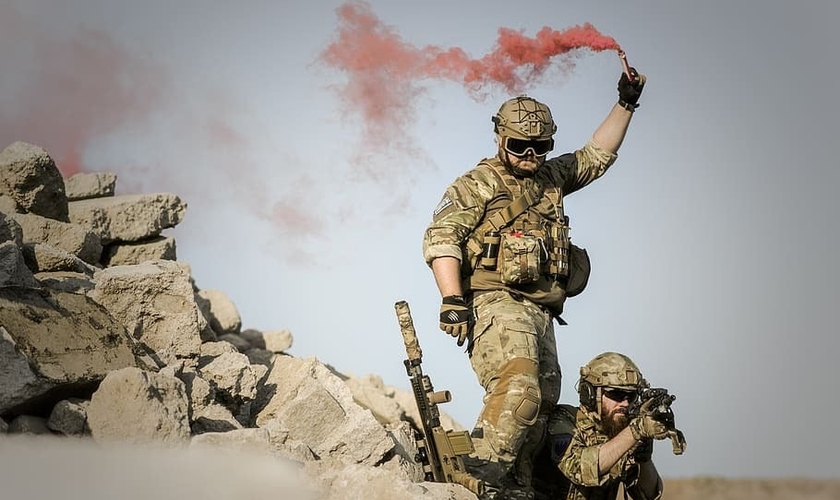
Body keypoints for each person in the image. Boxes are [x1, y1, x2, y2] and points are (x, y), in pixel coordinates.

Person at [422, 67, 647, 499]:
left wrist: (626, 102)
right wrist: (452, 297)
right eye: (519, 145)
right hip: (496, 304)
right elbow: (441, 236)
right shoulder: (479, 183)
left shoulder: (550, 179)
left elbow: (596, 155)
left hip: (541, 313)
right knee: (519, 389)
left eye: (540, 146)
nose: (530, 153)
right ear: (499, 139)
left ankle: (514, 486)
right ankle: (472, 478)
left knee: (541, 405)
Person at [556, 352, 667, 500]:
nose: (625, 403)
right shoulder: (563, 420)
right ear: (590, 393)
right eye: (617, 394)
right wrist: (636, 431)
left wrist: (644, 456)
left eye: (631, 396)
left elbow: (649, 496)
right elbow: (581, 469)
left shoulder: (622, 431)